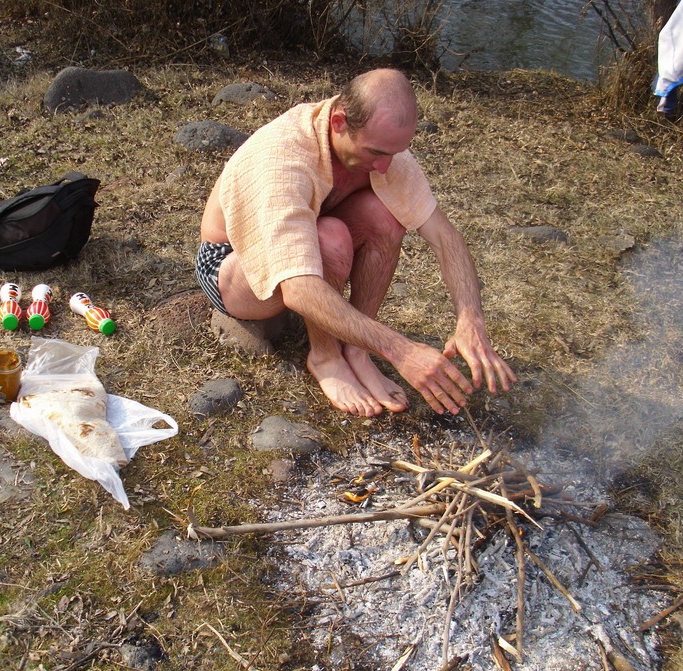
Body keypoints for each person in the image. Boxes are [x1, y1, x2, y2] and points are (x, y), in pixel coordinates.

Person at [197, 68, 516, 418]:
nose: (385, 166)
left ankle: (356, 352)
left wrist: (471, 320)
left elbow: (445, 236)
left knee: (385, 216)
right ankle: (326, 357)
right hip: (229, 266)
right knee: (329, 237)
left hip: (304, 248)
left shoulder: (380, 147)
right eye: (376, 152)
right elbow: (299, 289)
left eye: (395, 153)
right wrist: (401, 351)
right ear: (338, 122)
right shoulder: (283, 158)